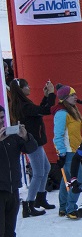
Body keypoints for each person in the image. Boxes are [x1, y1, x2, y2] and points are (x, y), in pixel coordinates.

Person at [7, 78, 56, 217]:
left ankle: (40, 198)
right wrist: (52, 94)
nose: (29, 87)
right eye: (26, 86)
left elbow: (38, 111)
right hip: (31, 142)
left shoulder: (23, 104)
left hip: (35, 141)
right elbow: (46, 110)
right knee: (38, 173)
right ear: (21, 90)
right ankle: (29, 204)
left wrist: (45, 96)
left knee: (46, 168)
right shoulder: (23, 106)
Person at [0, 114, 38, 237]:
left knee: (9, 229)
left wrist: (26, 136)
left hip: (12, 188)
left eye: (2, 118)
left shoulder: (12, 137)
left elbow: (32, 148)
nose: (1, 121)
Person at [52, 86, 82, 218]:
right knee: (78, 180)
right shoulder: (61, 114)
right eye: (72, 95)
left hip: (75, 151)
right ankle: (71, 209)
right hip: (68, 152)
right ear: (65, 98)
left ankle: (63, 207)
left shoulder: (73, 111)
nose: (76, 97)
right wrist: (61, 153)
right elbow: (58, 135)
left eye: (75, 94)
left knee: (66, 180)